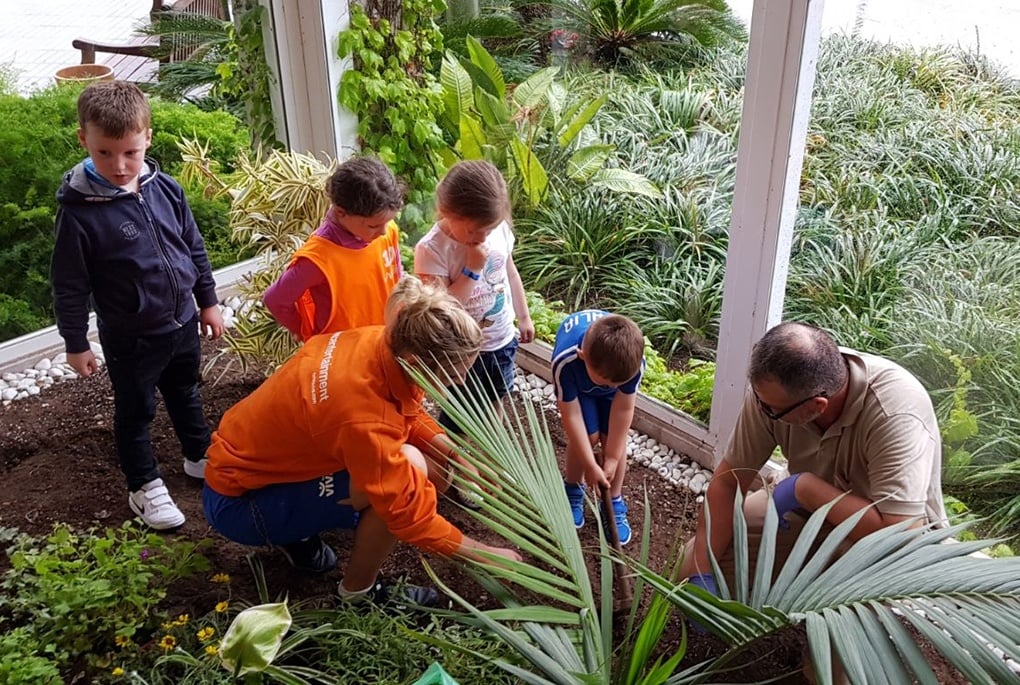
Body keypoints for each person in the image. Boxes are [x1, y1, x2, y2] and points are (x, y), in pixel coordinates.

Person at [203, 277, 522, 605]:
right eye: (453, 374)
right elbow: (408, 514)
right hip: (242, 505)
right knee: (408, 475)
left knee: (431, 467)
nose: (460, 381)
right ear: (416, 363)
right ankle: (358, 592)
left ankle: (299, 530)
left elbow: (403, 410)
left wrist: (456, 454)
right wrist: (487, 554)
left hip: (254, 471)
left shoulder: (382, 340)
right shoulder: (363, 418)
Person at [50, 80, 224, 531]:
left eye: (130, 152)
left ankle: (198, 455)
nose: (120, 166)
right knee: (135, 411)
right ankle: (143, 484)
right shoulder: (79, 212)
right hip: (131, 337)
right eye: (105, 153)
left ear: (147, 136)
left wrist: (207, 301)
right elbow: (68, 284)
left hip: (182, 323)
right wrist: (76, 342)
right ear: (83, 140)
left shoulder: (165, 189)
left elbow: (193, 246)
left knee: (186, 391)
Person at [679, 321, 947, 592]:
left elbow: (901, 531)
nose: (761, 410)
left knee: (836, 614)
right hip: (803, 513)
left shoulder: (895, 412)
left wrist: (805, 489)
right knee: (688, 565)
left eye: (770, 409)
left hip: (876, 538)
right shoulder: (773, 393)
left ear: (816, 406)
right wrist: (703, 571)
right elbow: (728, 482)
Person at [413, 160, 534, 502]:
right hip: (458, 354)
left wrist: (523, 317)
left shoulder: (498, 231)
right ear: (446, 211)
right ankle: (459, 471)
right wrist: (472, 269)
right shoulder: (431, 250)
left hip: (499, 339)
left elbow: (510, 274)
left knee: (494, 402)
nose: (482, 238)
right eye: (474, 231)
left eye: (489, 229)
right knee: (458, 413)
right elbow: (439, 310)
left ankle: (488, 459)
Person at [263, 156, 405, 340]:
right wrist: (303, 331)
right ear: (340, 212)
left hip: (385, 342)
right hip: (343, 357)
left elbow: (395, 274)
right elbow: (275, 299)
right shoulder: (317, 259)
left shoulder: (386, 230)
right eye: (373, 226)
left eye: (389, 221)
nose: (384, 231)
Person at [551, 310, 645, 545]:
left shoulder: (631, 365)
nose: (611, 386)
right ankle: (573, 489)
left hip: (612, 396)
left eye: (617, 383)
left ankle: (613, 499)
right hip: (581, 391)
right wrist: (591, 464)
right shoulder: (566, 362)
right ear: (582, 356)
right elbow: (570, 414)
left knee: (613, 437)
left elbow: (623, 410)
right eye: (606, 382)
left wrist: (611, 458)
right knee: (588, 436)